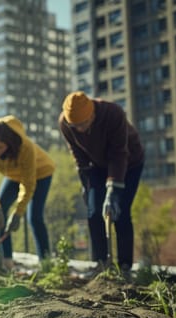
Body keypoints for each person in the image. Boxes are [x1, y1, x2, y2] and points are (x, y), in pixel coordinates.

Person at [59, 91, 144, 275]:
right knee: (93, 211)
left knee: (120, 211)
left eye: (83, 124)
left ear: (93, 115)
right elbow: (78, 155)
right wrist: (85, 184)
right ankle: (101, 264)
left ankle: (124, 267)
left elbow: (119, 153)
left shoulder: (113, 113)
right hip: (96, 166)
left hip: (129, 163)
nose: (79, 129)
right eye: (75, 125)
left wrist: (113, 190)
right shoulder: (66, 124)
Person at [0, 116, 55, 269]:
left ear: (9, 143)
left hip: (41, 173)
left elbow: (28, 183)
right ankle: (7, 262)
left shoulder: (25, 147)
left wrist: (18, 213)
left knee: (34, 217)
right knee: (1, 209)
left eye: (0, 147)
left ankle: (45, 263)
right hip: (14, 176)